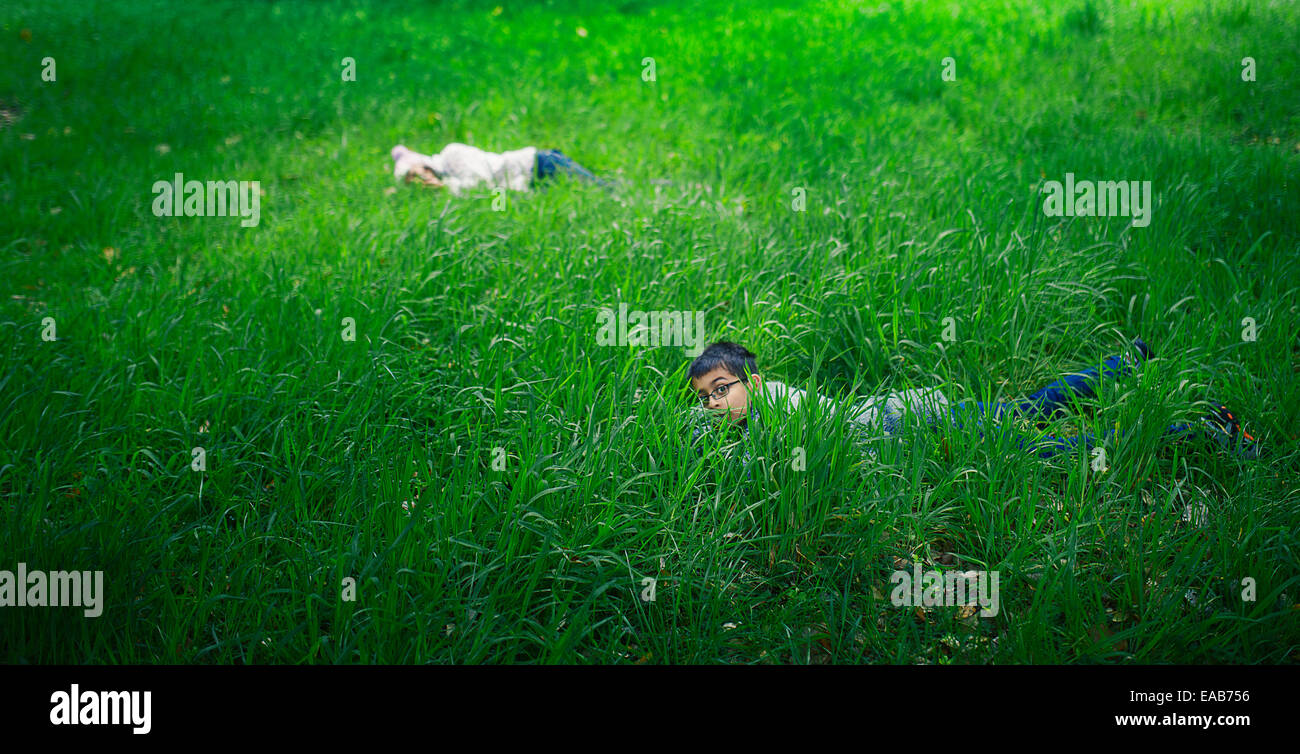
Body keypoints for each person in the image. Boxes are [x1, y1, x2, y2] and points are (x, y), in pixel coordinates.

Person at [686, 339, 1260, 464]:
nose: (714, 403)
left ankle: (1199, 430)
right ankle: (1123, 364)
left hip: (930, 426)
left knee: (1045, 446)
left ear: (752, 383)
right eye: (705, 398)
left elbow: (767, 461)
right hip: (923, 421)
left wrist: (708, 445)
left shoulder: (780, 406)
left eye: (720, 390)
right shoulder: (758, 413)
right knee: (1031, 412)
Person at [390, 142, 612, 196]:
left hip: (542, 166)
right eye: (411, 180)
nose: (419, 179)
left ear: (422, 164)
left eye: (415, 172)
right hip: (532, 186)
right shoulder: (438, 194)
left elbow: (481, 184)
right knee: (589, 194)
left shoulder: (451, 154)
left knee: (604, 192)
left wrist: (445, 187)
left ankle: (641, 190)